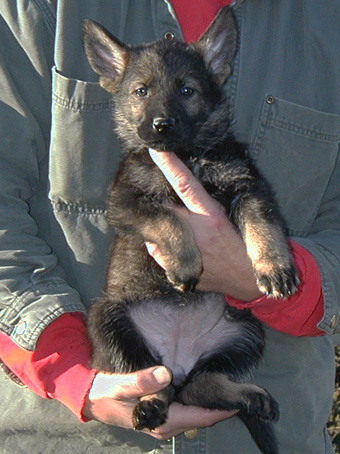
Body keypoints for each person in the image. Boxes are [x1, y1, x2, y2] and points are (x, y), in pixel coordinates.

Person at [0, 0, 339, 453]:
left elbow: (265, 205)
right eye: (141, 91)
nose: (162, 111)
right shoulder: (38, 10)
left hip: (270, 417)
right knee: (111, 319)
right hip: (73, 435)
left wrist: (275, 277)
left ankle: (213, 383)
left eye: (185, 92)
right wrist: (69, 370)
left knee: (244, 331)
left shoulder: (326, 21)